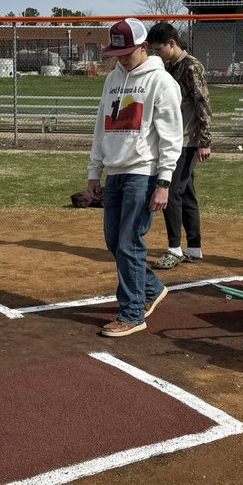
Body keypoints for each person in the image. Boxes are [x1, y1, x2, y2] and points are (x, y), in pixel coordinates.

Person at [83, 18, 183, 338]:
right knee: (115, 242)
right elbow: (101, 127)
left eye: (127, 52)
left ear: (143, 47)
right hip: (115, 172)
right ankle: (151, 288)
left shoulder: (161, 82)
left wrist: (164, 182)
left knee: (129, 243)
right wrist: (94, 172)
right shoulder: (112, 79)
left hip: (144, 173)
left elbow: (172, 137)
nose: (122, 59)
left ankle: (132, 313)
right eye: (117, 54)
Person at [146, 22, 212, 270]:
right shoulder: (169, 67)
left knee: (171, 192)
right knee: (186, 193)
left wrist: (204, 141)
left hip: (186, 141)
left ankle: (174, 248)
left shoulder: (191, 66)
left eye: (158, 49)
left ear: (172, 44)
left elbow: (202, 102)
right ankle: (194, 248)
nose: (156, 54)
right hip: (174, 139)